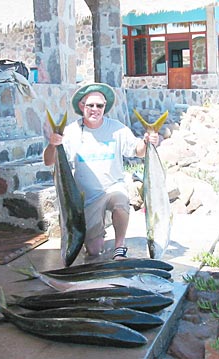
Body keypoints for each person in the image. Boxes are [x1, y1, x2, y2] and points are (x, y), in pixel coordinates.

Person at [43, 83, 159, 260]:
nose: (95, 109)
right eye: (90, 105)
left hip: (112, 187)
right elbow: (48, 161)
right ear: (82, 106)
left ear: (105, 107)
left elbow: (138, 151)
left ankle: (120, 246)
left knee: (120, 200)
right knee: (94, 251)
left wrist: (147, 141)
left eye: (100, 105)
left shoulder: (117, 128)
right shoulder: (71, 132)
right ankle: (96, 233)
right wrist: (53, 144)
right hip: (87, 198)